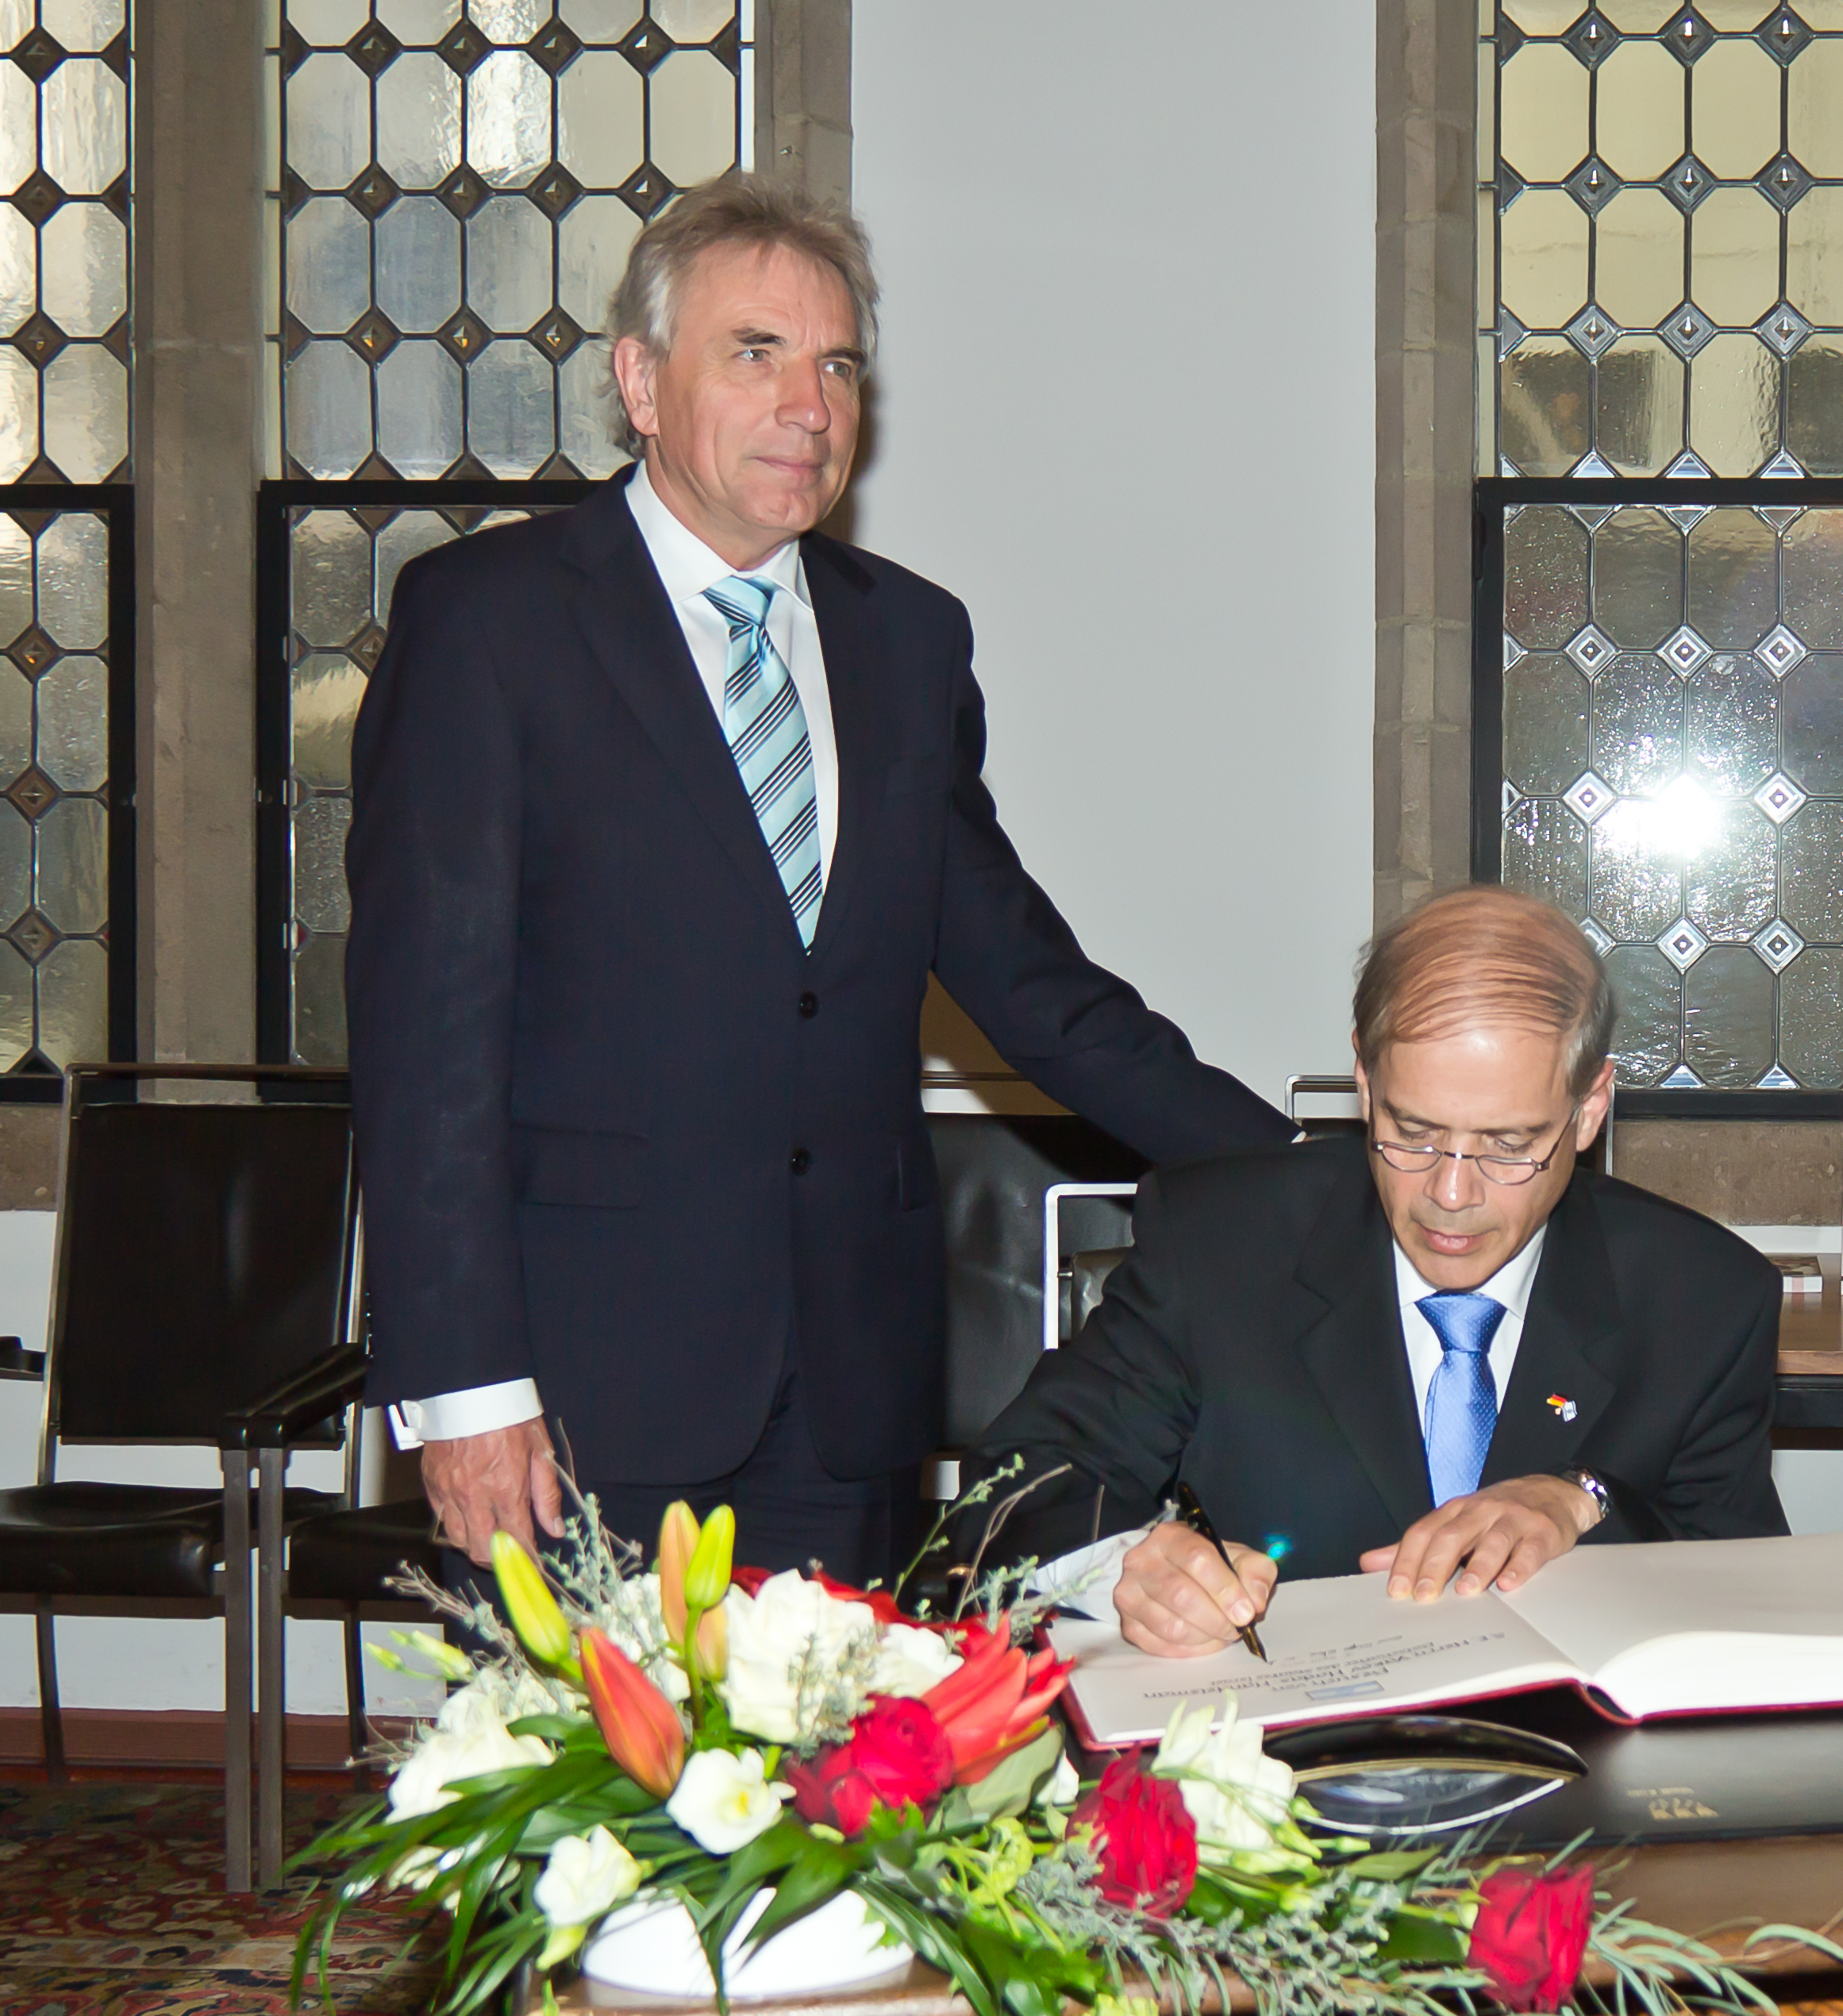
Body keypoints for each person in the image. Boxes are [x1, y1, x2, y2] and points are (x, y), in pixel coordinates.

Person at [348, 174, 1292, 1591]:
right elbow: (427, 1040)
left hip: (845, 1397)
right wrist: (469, 1394)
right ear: (641, 382)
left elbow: (1033, 988)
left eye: (839, 364)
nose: (811, 404)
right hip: (580, 1396)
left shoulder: (905, 641)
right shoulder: (492, 623)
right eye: (758, 353)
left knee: (845, 1800)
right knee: (594, 1811)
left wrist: (1316, 1176)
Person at [963, 886, 1789, 1656]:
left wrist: (1585, 1501)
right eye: (1413, 1130)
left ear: (1590, 1107)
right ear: (1363, 1075)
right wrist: (1125, 1568)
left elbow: (1749, 1593)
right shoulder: (1218, 1239)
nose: (1450, 1193)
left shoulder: (1701, 1295)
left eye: (1508, 1144)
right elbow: (1015, 1492)